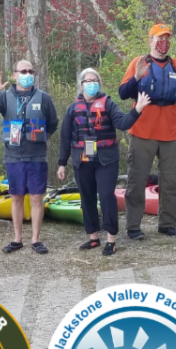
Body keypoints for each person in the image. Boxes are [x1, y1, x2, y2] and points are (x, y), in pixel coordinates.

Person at [57, 68, 144, 256]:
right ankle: (93, 237)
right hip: (82, 160)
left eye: (94, 80)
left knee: (106, 196)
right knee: (86, 197)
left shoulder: (108, 104)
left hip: (106, 159)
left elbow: (122, 123)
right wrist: (62, 163)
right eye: (88, 81)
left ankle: (111, 239)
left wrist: (137, 109)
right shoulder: (73, 109)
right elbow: (65, 138)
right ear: (81, 85)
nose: (91, 84)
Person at [118, 23, 176, 239]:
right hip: (142, 130)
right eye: (160, 38)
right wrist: (137, 77)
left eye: (167, 39)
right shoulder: (139, 62)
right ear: (150, 41)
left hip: (170, 131)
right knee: (137, 180)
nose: (164, 43)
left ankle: (167, 224)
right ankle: (133, 226)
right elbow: (123, 93)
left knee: (171, 181)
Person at [0, 60, 60, 254]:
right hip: (13, 156)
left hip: (37, 156)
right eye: (23, 71)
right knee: (16, 197)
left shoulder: (44, 98)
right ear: (14, 75)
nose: (28, 74)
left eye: (30, 71)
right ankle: (17, 239)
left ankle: (36, 240)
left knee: (36, 197)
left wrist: (42, 138)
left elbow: (53, 122)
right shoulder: (4, 97)